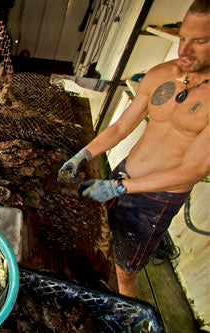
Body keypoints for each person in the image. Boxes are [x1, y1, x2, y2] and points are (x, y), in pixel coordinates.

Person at [58, 0, 210, 298]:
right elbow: (120, 128)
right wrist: (82, 155)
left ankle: (127, 318)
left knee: (125, 272)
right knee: (99, 239)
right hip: (122, 175)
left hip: (155, 200)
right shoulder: (161, 73)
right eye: (182, 39)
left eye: (200, 41)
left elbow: (190, 172)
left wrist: (120, 189)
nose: (184, 51)